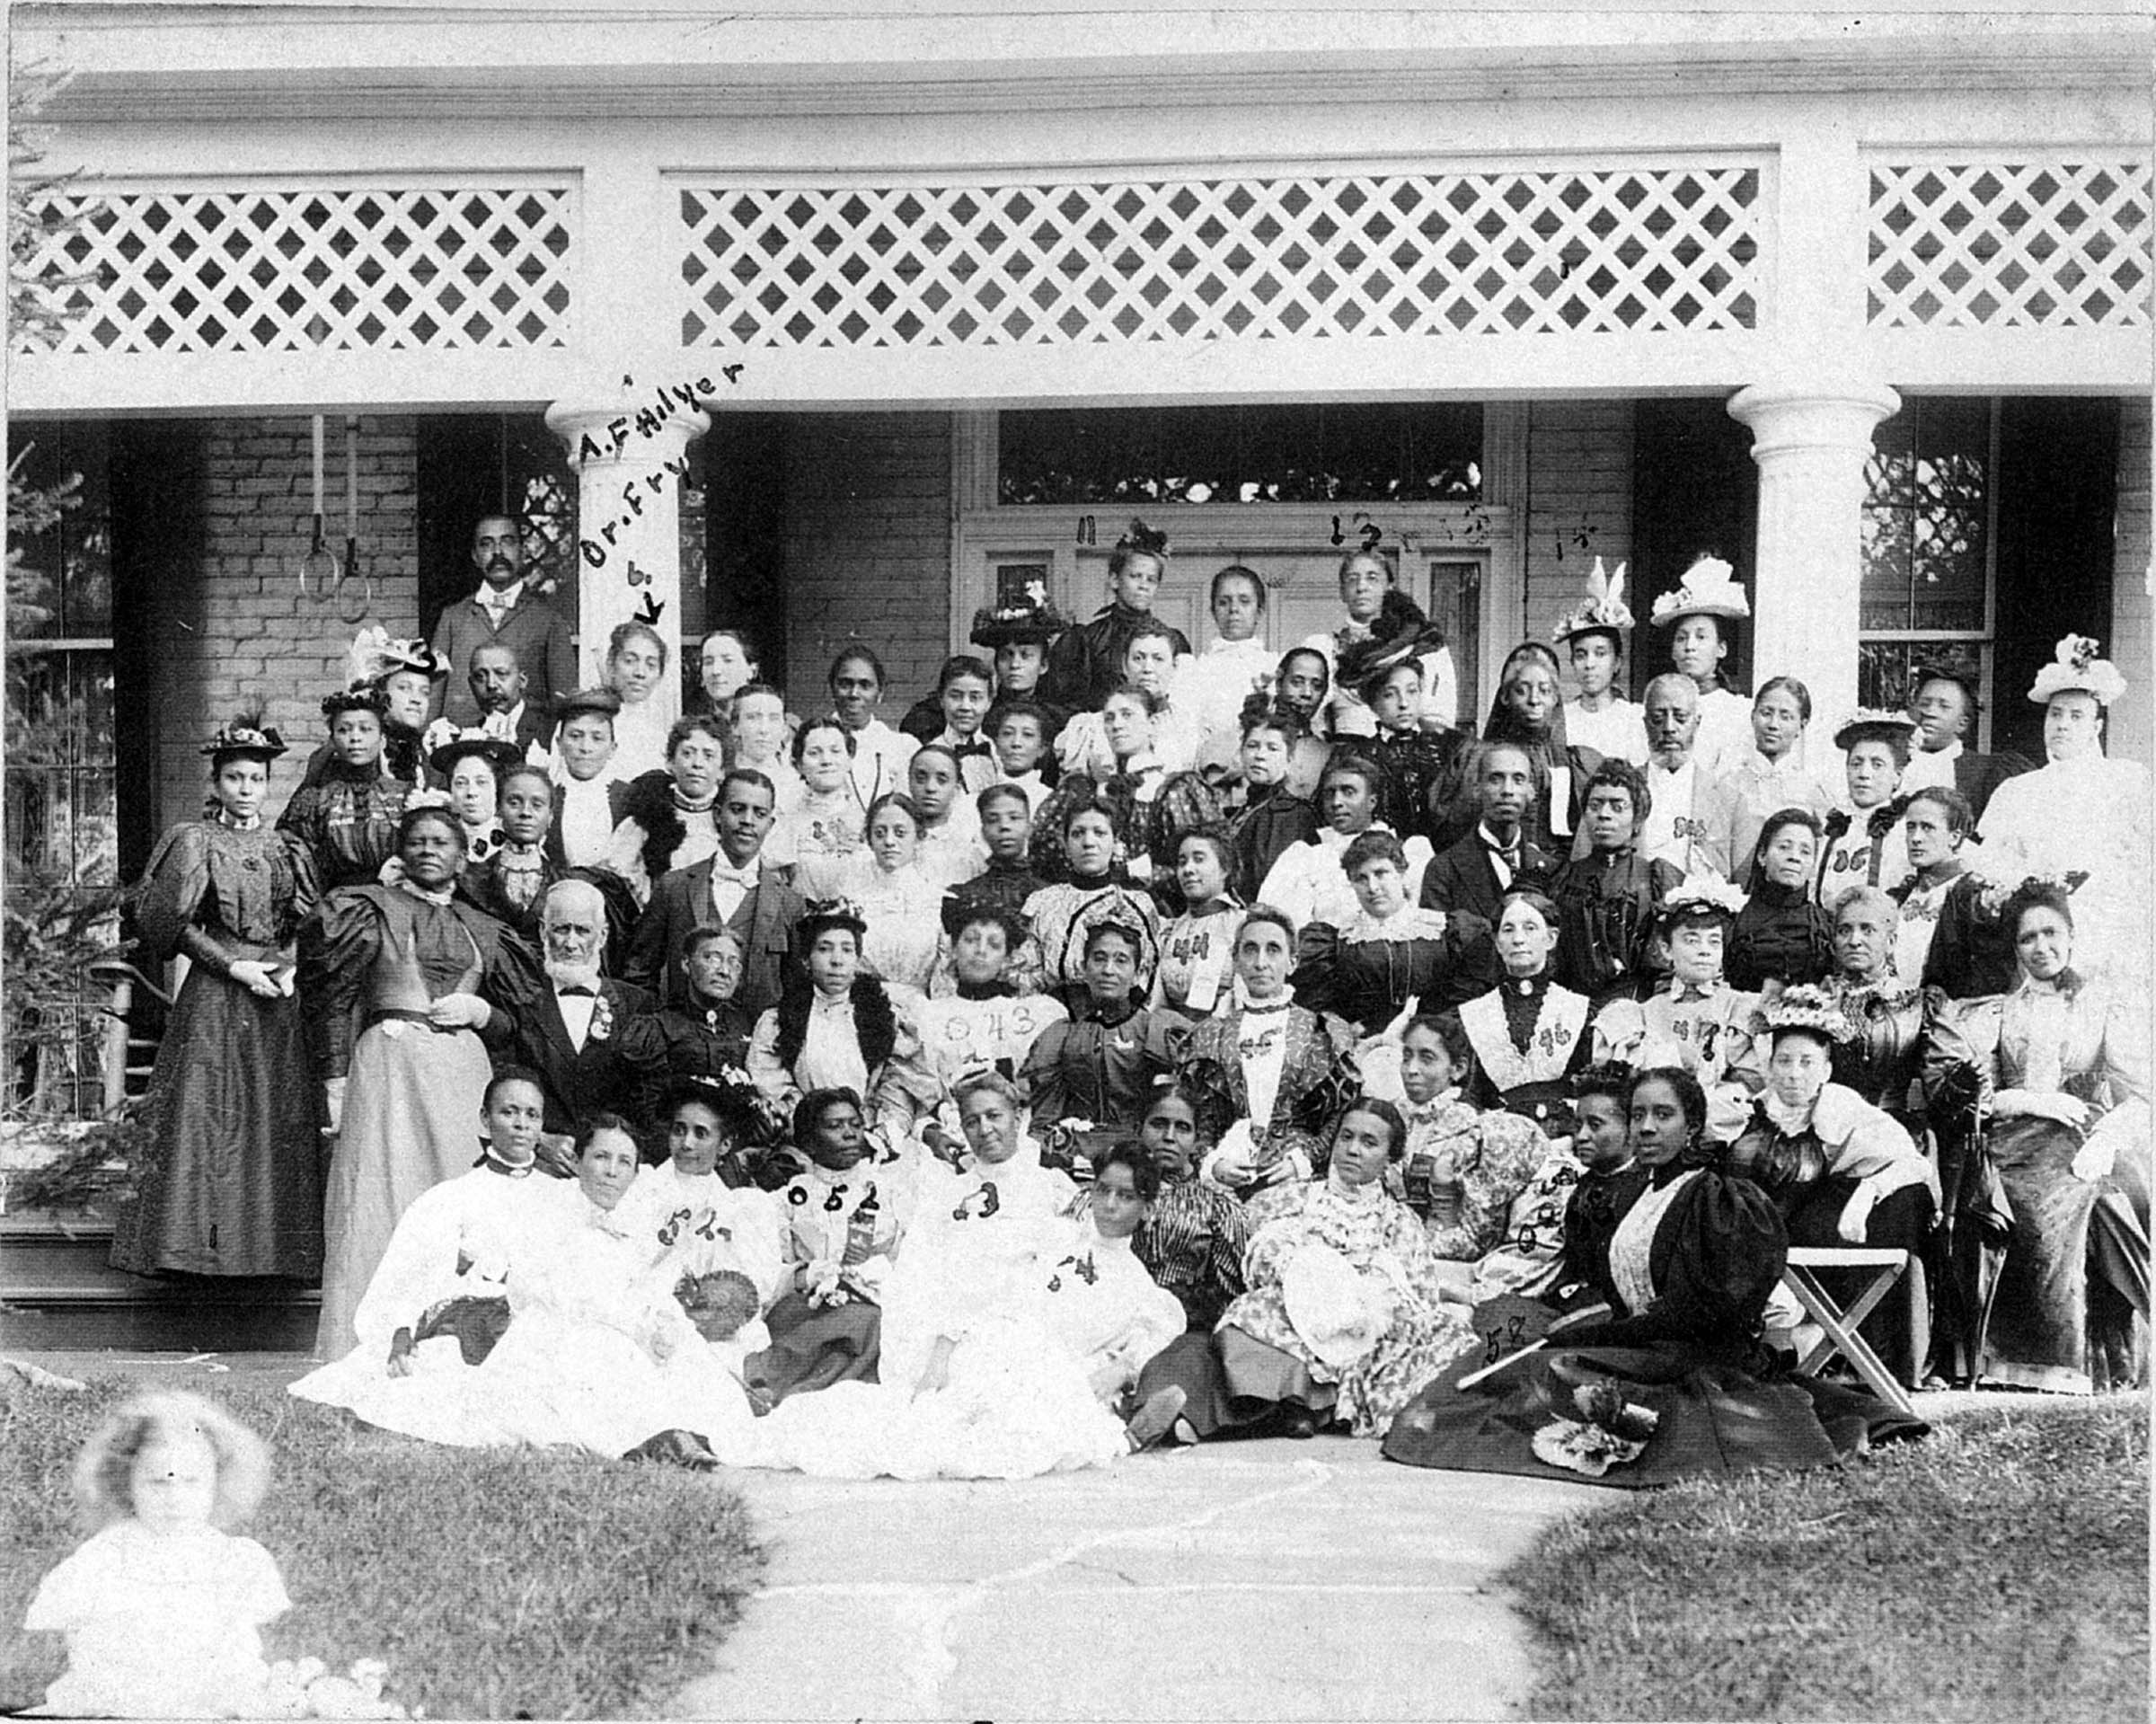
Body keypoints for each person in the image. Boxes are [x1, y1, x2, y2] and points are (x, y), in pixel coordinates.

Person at [1384, 1066, 1925, 1486]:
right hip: (1648, 1346)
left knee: (1560, 1371)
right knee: (1511, 1358)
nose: (1646, 1127)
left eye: (1662, 1116)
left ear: (1692, 1126)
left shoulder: (1716, 1197)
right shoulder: (1641, 1194)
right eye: (1639, 1114)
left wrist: (1601, 1333)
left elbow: (1706, 1310)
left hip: (1695, 1356)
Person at [749, 1101, 1185, 1480]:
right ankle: (1119, 1438)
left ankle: (1119, 1436)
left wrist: (1104, 1378)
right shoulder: (1054, 1237)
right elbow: (987, 1296)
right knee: (921, 1425)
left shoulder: (1139, 1288)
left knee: (1023, 1424)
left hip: (1051, 1370)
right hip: (986, 1349)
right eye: (1103, 1191)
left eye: (1125, 1197)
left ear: (1147, 1209)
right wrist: (939, 1359)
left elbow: (1131, 1355)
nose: (1109, 1205)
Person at [301, 805, 546, 1359]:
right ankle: (367, 1347)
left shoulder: (483, 927)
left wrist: (481, 1013)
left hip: (462, 1078)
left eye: (442, 842)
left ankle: (463, 1344)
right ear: (400, 850)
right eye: (417, 840)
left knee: (461, 1202)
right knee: (383, 1196)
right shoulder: (367, 910)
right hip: (390, 1070)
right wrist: (335, 1083)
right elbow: (333, 1002)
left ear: (463, 856)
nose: (429, 850)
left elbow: (519, 1024)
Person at [112, 710, 323, 1282]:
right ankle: (195, 1252)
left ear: (267, 784)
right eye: (234, 779)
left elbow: (309, 924)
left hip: (274, 993)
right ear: (217, 784)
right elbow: (171, 926)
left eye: (255, 779)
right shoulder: (195, 842)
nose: (246, 791)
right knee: (207, 1114)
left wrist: (289, 967)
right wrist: (233, 967)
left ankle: (265, 1256)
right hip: (215, 992)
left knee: (268, 1114)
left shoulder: (288, 850)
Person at [1927, 880, 2151, 1392]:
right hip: (2010, 1133)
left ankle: (2065, 1362)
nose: (2041, 947)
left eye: (2051, 933)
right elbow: (1979, 1094)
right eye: (2028, 938)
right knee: (1995, 1195)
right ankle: (1993, 1360)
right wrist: (2033, 1099)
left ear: (2071, 937)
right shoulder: (1999, 1011)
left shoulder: (2099, 1005)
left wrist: (2107, 1138)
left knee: (2070, 1200)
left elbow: (2143, 1093)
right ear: (2015, 948)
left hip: (2080, 1138)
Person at [1161, 1100, 1479, 1440]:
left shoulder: (1401, 1222)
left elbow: (1418, 1292)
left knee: (1442, 1335)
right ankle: (1296, 1402)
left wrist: (1361, 1291)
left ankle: (1327, 1404)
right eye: (1346, 1138)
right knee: (1250, 1313)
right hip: (1302, 1308)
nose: (1353, 1150)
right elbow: (1260, 1256)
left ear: (1390, 1158)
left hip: (1368, 1324)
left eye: (1369, 1143)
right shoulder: (1291, 1199)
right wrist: (1307, 1273)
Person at [23, 1392, 292, 1719]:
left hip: (211, 1691)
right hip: (121, 1692)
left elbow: (237, 1647)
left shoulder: (234, 1559)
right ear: (126, 1483)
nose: (175, 1498)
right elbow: (64, 1625)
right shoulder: (106, 1557)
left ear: (218, 1482)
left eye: (192, 1482)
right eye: (157, 1483)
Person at [287, 1070, 552, 1398]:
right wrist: (401, 1329)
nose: (521, 1124)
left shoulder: (559, 1197)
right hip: (474, 1327)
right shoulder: (451, 1198)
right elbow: (406, 1277)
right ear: (485, 1118)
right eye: (508, 1112)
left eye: (532, 1114)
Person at [1726, 985, 1940, 1387]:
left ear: (1825, 1070)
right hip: (1746, 1233)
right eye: (1784, 1061)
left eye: (1807, 1062)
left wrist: (1867, 1193)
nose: (1793, 1073)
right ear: (1769, 1066)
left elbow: (1913, 1163)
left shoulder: (1840, 1109)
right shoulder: (1747, 1110)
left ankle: (1815, 1351)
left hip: (1810, 1236)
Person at [1975, 635, 2152, 986]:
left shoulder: (2128, 781)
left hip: (2112, 932)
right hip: (2042, 938)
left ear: (2097, 727)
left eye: (2076, 716)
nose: (2063, 725)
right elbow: (1995, 868)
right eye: (2055, 714)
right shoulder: (2018, 791)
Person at [746, 1086, 917, 1405]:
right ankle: (776, 1383)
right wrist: (805, 1275)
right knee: (800, 1320)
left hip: (872, 1301)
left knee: (865, 1325)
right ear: (809, 1141)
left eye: (854, 1124)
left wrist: (873, 1270)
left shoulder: (889, 1190)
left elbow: (907, 1256)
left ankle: (805, 1395)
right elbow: (776, 1266)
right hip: (807, 1304)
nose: (850, 1134)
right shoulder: (791, 1199)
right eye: (835, 1126)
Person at [1390, 1012, 1570, 1308]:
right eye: (1406, 1056)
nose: (1411, 1069)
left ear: (1458, 1069)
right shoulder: (1393, 1117)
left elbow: (1477, 1240)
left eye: (1427, 1058)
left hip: (1447, 1265)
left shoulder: (1479, 1134)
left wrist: (1398, 1246)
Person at [1179, 906, 1356, 1192]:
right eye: (1250, 950)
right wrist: (1212, 1162)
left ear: (1292, 962)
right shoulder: (1214, 1033)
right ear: (1236, 961)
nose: (1261, 962)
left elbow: (1342, 1112)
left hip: (1294, 1175)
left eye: (1273, 950)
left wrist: (1305, 1158)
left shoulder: (1320, 1031)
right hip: (1230, 1170)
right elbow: (1203, 1116)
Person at [873, 900, 1065, 1149]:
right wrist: (929, 1131)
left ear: (1008, 959)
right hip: (950, 1136)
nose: (981, 951)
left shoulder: (1038, 1013)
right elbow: (908, 1094)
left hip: (1025, 1135)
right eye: (971, 940)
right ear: (952, 948)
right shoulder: (927, 1015)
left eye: (994, 945)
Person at [1590, 873, 1764, 1145]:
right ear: (1667, 949)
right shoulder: (1643, 1014)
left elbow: (1749, 1084)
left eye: (1714, 941)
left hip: (1719, 1134)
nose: (1704, 950)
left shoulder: (1738, 1008)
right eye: (1691, 940)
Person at [624, 766, 803, 1018]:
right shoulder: (673, 887)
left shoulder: (790, 904)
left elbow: (796, 988)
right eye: (737, 809)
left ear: (770, 824)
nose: (748, 821)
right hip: (680, 1045)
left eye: (759, 813)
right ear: (718, 815)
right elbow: (639, 972)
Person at [609, 1077, 787, 1328]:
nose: (686, 1143)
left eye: (700, 1133)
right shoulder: (640, 1186)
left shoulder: (738, 1209)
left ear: (724, 1144)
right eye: (679, 1130)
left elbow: (749, 1290)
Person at [1293, 828, 1493, 1032]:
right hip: (1361, 1049)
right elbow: (1320, 1011)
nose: (1372, 887)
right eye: (1361, 878)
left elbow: (1469, 1004)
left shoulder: (1444, 930)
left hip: (1432, 1043)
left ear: (1401, 873)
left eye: (1381, 874)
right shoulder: (1336, 941)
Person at [1101, 1087, 1251, 1334]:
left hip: (1181, 1330)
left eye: (1182, 1128)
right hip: (1106, 1317)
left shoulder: (1217, 1207)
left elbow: (1230, 1298)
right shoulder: (1109, 1191)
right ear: (1140, 1128)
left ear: (1196, 1140)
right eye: (1158, 1124)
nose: (1169, 1137)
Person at [515, 879, 655, 1142]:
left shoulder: (636, 1004)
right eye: (561, 929)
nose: (571, 943)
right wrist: (541, 1142)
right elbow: (510, 1095)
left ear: (602, 936)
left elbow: (647, 1100)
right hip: (542, 1161)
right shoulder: (522, 1004)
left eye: (583, 931)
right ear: (543, 932)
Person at [1456, 889, 1596, 1145]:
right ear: (1498, 943)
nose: (1518, 939)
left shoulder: (1579, 1009)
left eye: (1530, 928)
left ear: (1551, 938)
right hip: (1500, 1141)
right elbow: (1471, 1094)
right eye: (1508, 930)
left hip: (1566, 1139)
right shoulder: (1474, 1014)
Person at [1020, 919, 1184, 1131]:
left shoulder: (1155, 1029)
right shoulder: (1061, 1036)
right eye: (1099, 959)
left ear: (1137, 974)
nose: (1108, 970)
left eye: (1121, 961)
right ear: (1083, 968)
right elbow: (1044, 1118)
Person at [1544, 759, 1682, 1003]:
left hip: (1639, 1006)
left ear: (1637, 819)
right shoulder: (1563, 877)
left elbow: (1670, 963)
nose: (1604, 815)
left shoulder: (1656, 877)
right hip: (1572, 1008)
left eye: (1618, 807)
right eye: (1595, 806)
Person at [614, 926, 757, 1152]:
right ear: (686, 963)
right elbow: (646, 1114)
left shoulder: (746, 1025)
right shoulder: (659, 1026)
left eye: (734, 963)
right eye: (712, 958)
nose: (724, 971)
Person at [749, 902, 901, 1113]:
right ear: (806, 960)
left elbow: (898, 1087)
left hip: (870, 1130)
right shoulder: (778, 1021)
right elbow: (772, 1085)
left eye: (847, 950)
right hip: (807, 1133)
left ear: (857, 959)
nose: (837, 960)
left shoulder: (886, 1017)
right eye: (824, 949)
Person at [429, 514, 579, 726]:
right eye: (486, 544)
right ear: (475, 555)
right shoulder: (453, 618)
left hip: (527, 745)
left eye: (507, 542)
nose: (498, 552)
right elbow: (433, 693)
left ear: (523, 551)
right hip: (462, 744)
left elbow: (564, 699)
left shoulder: (549, 621)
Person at [1262, 755, 1433, 932]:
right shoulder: (1307, 858)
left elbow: (1424, 919)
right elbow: (1286, 929)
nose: (1336, 802)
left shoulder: (1410, 851)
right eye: (1330, 794)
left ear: (1371, 801)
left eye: (1348, 792)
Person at [1013, 797, 1164, 995]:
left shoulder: (1137, 904)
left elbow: (1148, 976)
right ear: (1066, 845)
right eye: (1078, 834)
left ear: (1116, 843)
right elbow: (1025, 973)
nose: (1088, 842)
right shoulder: (1042, 902)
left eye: (1100, 833)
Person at [1302, 549, 1458, 737]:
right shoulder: (1325, 649)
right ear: (1342, 592)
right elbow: (1312, 720)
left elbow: (1440, 722)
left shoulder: (1426, 647)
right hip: (1346, 756)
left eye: (1372, 578)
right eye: (1352, 579)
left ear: (1389, 587)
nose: (1361, 587)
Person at [1042, 519, 1191, 712]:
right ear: (1114, 580)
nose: (1143, 585)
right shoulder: (1087, 640)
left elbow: (1184, 701)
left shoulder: (1173, 641)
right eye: (1135, 576)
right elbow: (1062, 704)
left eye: (1151, 580)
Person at [1477, 641, 1605, 855]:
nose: (1534, 700)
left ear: (1555, 698)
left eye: (1544, 691)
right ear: (1505, 697)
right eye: (1522, 691)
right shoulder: (1483, 758)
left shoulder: (1577, 762)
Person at [277, 685, 410, 890]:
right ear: (332, 741)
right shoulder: (316, 800)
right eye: (344, 730)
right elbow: (297, 864)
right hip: (336, 907)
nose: (355, 738)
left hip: (398, 904)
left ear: (382, 740)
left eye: (365, 729)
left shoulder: (405, 795)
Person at [1892, 787, 2015, 999]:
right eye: (1911, 827)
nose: (1915, 838)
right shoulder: (1900, 895)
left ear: (1954, 837)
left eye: (1928, 828)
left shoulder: (1974, 898)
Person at [1714, 676, 1836, 888]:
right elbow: (1716, 853)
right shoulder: (1729, 784)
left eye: (1786, 717)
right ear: (1753, 717)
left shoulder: (1812, 789)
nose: (1773, 725)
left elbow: (1824, 852)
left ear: (1802, 725)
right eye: (1766, 713)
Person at [1348, 640, 1470, 848]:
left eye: (1412, 691)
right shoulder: (1360, 755)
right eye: (1390, 694)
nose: (1403, 703)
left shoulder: (1448, 748)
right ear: (1372, 702)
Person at [1418, 741, 1557, 925]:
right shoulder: (1444, 870)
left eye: (1518, 780)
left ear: (1530, 791)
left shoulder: (1551, 869)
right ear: (1477, 788)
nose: (1507, 790)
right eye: (1495, 779)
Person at [1823, 886, 1927, 1127]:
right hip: (1829, 1126)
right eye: (1844, 930)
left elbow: (1938, 1077)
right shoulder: (1817, 1000)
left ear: (1890, 942)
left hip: (1893, 1129)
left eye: (1867, 930)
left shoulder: (1915, 1003)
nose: (1854, 941)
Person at [603, 713, 729, 906]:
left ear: (722, 770)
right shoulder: (646, 819)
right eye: (687, 753)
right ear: (670, 762)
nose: (697, 763)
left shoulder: (728, 821)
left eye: (709, 756)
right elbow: (619, 879)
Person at [1647, 553, 1753, 777]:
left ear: (1721, 649)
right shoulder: (1657, 708)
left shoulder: (1737, 712)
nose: (1690, 646)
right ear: (1673, 650)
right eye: (1682, 638)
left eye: (1701, 637)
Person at [301, 627, 443, 789]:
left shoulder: (425, 751)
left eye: (424, 692)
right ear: (380, 693)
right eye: (404, 688)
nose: (416, 700)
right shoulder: (350, 750)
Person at [1175, 563, 1278, 769]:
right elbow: (1185, 736)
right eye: (1224, 602)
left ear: (1259, 612)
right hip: (1211, 773)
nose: (1234, 610)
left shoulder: (1275, 666)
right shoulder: (1195, 670)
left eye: (1244, 601)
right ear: (1213, 611)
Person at [1637, 672, 1739, 876]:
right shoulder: (1623, 788)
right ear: (1646, 722)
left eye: (1680, 718)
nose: (1669, 728)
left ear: (1697, 722)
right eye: (1658, 718)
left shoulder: (1724, 796)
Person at [1900, 664, 2033, 822]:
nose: (1930, 712)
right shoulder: (1891, 765)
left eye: (1944, 706)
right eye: (1924, 703)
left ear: (1962, 724)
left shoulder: (1988, 772)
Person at [1725, 809, 1835, 991]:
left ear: (1813, 866)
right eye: (1784, 847)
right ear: (1762, 856)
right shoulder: (1734, 921)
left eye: (1805, 852)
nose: (1794, 857)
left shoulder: (1826, 924)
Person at [457, 761, 568, 942]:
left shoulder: (564, 884)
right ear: (499, 811)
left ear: (550, 817)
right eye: (514, 803)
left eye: (537, 805)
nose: (526, 812)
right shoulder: (471, 880)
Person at [1553, 558, 1648, 767]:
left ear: (1617, 662)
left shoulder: (1634, 718)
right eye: (1581, 655)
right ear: (1572, 662)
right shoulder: (1562, 719)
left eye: (1600, 653)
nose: (1589, 664)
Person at [767, 715, 872, 898]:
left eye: (835, 751)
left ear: (850, 759)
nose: (826, 761)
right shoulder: (785, 821)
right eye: (814, 753)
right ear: (797, 764)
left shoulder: (867, 819)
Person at [1224, 703, 1319, 904]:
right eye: (1252, 746)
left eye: (1272, 748)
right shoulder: (1241, 811)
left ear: (1289, 760)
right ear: (1241, 753)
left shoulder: (1289, 813)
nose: (1260, 755)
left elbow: (1269, 882)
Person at [1818, 709, 1917, 901]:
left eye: (1877, 764)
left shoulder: (1906, 831)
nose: (1864, 773)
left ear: (1897, 776)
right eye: (1856, 763)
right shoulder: (1829, 829)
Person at [1152, 828, 1242, 1018]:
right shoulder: (1171, 930)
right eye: (1182, 862)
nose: (1188, 870)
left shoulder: (1242, 926)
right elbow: (1158, 1002)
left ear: (1224, 869)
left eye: (1199, 859)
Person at [546, 686, 632, 871]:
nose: (585, 747)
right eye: (575, 736)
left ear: (612, 748)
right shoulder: (546, 798)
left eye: (597, 738)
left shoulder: (631, 798)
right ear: (560, 744)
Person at [433, 641, 551, 772]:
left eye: (501, 674)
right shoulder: (463, 734)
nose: (491, 685)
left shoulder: (550, 731)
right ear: (471, 685)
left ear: (522, 681)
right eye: (480, 677)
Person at [941, 782, 1045, 925]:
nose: (1004, 826)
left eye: (1014, 818)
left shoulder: (1047, 895)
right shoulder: (965, 896)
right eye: (993, 820)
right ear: (983, 831)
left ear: (1029, 827)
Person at [826, 644, 917, 808]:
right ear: (832, 689)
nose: (854, 693)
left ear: (880, 693)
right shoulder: (810, 742)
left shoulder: (902, 747)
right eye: (845, 684)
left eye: (865, 685)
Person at [897, 654, 1000, 788]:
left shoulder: (997, 752)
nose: (965, 706)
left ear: (989, 703)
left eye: (975, 698)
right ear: (941, 699)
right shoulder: (929, 754)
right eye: (956, 696)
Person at [905, 744, 990, 892]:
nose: (930, 788)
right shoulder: (894, 840)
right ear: (909, 783)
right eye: (920, 778)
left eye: (942, 780)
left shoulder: (970, 850)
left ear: (956, 790)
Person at [428, 730, 515, 869]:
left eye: (481, 782)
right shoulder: (439, 838)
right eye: (461, 783)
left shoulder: (516, 837)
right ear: (451, 790)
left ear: (497, 787)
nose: (471, 793)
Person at [601, 619, 674, 780]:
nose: (640, 672)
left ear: (659, 675)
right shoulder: (588, 724)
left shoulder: (660, 736)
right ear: (611, 665)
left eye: (651, 664)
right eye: (630, 661)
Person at [1271, 646, 1338, 800]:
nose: (1307, 693)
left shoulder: (1329, 754)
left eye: (1317, 686)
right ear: (1279, 683)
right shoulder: (1244, 740)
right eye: (1297, 682)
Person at [726, 682, 801, 809]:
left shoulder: (797, 784)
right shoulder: (722, 778)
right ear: (735, 727)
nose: (763, 729)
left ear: (784, 729)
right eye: (753, 718)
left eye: (773, 718)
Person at [986, 699, 1057, 813]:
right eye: (1008, 733)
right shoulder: (978, 795)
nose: (1016, 743)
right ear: (996, 744)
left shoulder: (1050, 801)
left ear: (1042, 749)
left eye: (1027, 735)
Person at [693, 628, 760, 722]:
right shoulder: (693, 731)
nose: (715, 671)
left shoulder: (770, 725)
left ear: (752, 670)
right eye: (708, 662)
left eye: (728, 660)